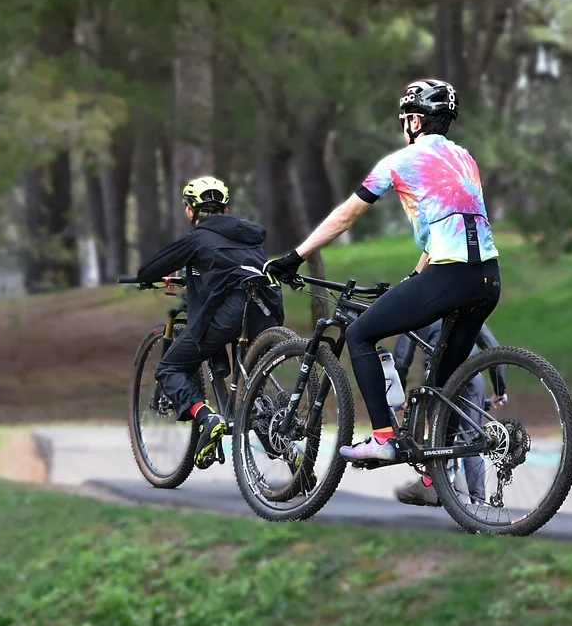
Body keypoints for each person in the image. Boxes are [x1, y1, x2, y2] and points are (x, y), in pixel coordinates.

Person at [264, 78, 500, 462]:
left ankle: (383, 438)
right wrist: (416, 278)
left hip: (451, 276)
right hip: (488, 278)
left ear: (415, 121)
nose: (404, 125)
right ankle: (435, 475)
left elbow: (346, 215)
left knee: (359, 334)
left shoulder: (401, 161)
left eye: (406, 119)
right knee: (445, 382)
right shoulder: (464, 159)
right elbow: (449, 228)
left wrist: (296, 255)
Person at [136, 176, 283, 468]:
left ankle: (206, 417)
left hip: (230, 311)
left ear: (191, 210)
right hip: (266, 309)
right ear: (225, 209)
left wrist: (151, 277)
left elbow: (147, 270)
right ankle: (289, 453)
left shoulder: (197, 238)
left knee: (169, 368)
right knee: (250, 381)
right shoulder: (250, 235)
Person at [391, 319, 507, 507]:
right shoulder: (466, 309)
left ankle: (431, 486)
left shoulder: (418, 312)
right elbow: (493, 348)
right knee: (472, 441)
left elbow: (402, 358)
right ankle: (479, 503)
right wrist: (500, 389)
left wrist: (399, 395)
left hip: (440, 377)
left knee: (438, 439)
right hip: (470, 374)